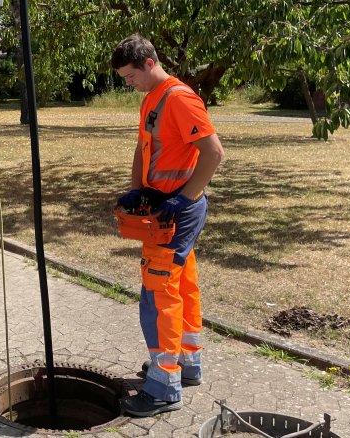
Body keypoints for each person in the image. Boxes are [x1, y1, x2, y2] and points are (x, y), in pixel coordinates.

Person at [111, 34, 224, 417]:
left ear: (148, 63)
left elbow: (214, 153)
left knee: (158, 294)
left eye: (130, 76)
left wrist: (184, 198)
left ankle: (163, 385)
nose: (129, 84)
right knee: (182, 283)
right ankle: (187, 365)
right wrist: (137, 190)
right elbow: (143, 147)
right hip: (161, 205)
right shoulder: (151, 100)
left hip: (177, 209)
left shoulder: (179, 98)